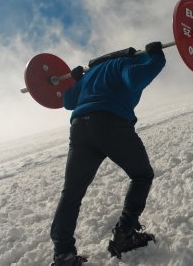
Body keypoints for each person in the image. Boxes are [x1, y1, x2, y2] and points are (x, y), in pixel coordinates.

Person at [50, 42, 166, 266]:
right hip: (109, 123)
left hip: (80, 128)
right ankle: (125, 234)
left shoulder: (90, 73)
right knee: (142, 175)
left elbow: (68, 101)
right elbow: (135, 79)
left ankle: (63, 254)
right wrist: (157, 58)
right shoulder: (125, 63)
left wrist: (76, 81)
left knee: (72, 192)